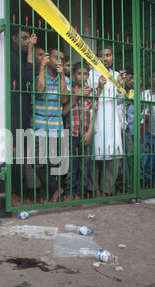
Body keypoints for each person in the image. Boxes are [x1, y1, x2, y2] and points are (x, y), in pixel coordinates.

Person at [31, 47, 70, 203]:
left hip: (56, 128)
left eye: (61, 58)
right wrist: (41, 67)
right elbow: (40, 91)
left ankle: (46, 195)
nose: (58, 61)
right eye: (55, 57)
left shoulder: (65, 79)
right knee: (38, 163)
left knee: (55, 164)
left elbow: (64, 100)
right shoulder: (40, 75)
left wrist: (61, 76)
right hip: (39, 127)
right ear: (49, 58)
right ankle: (55, 190)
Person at [87, 45, 125, 197]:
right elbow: (87, 98)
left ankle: (107, 189)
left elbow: (121, 101)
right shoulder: (90, 74)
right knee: (95, 156)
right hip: (96, 118)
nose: (106, 58)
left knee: (113, 156)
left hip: (113, 119)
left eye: (109, 55)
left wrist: (121, 86)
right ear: (97, 57)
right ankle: (95, 189)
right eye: (102, 55)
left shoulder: (116, 75)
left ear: (113, 57)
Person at [62, 62, 100, 200]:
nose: (82, 76)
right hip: (71, 133)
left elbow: (93, 112)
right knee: (71, 166)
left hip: (86, 134)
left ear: (88, 76)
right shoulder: (69, 90)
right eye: (79, 73)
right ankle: (68, 193)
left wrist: (90, 132)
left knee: (84, 167)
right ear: (73, 75)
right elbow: (64, 112)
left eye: (85, 74)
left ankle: (80, 193)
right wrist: (77, 95)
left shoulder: (91, 92)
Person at [10, 27, 37, 204]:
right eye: (24, 38)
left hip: (24, 110)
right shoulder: (12, 56)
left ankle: (21, 192)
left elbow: (32, 74)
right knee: (15, 154)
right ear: (14, 38)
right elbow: (26, 75)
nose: (27, 41)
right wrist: (30, 51)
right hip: (14, 111)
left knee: (23, 154)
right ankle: (13, 193)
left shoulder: (20, 55)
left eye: (29, 39)